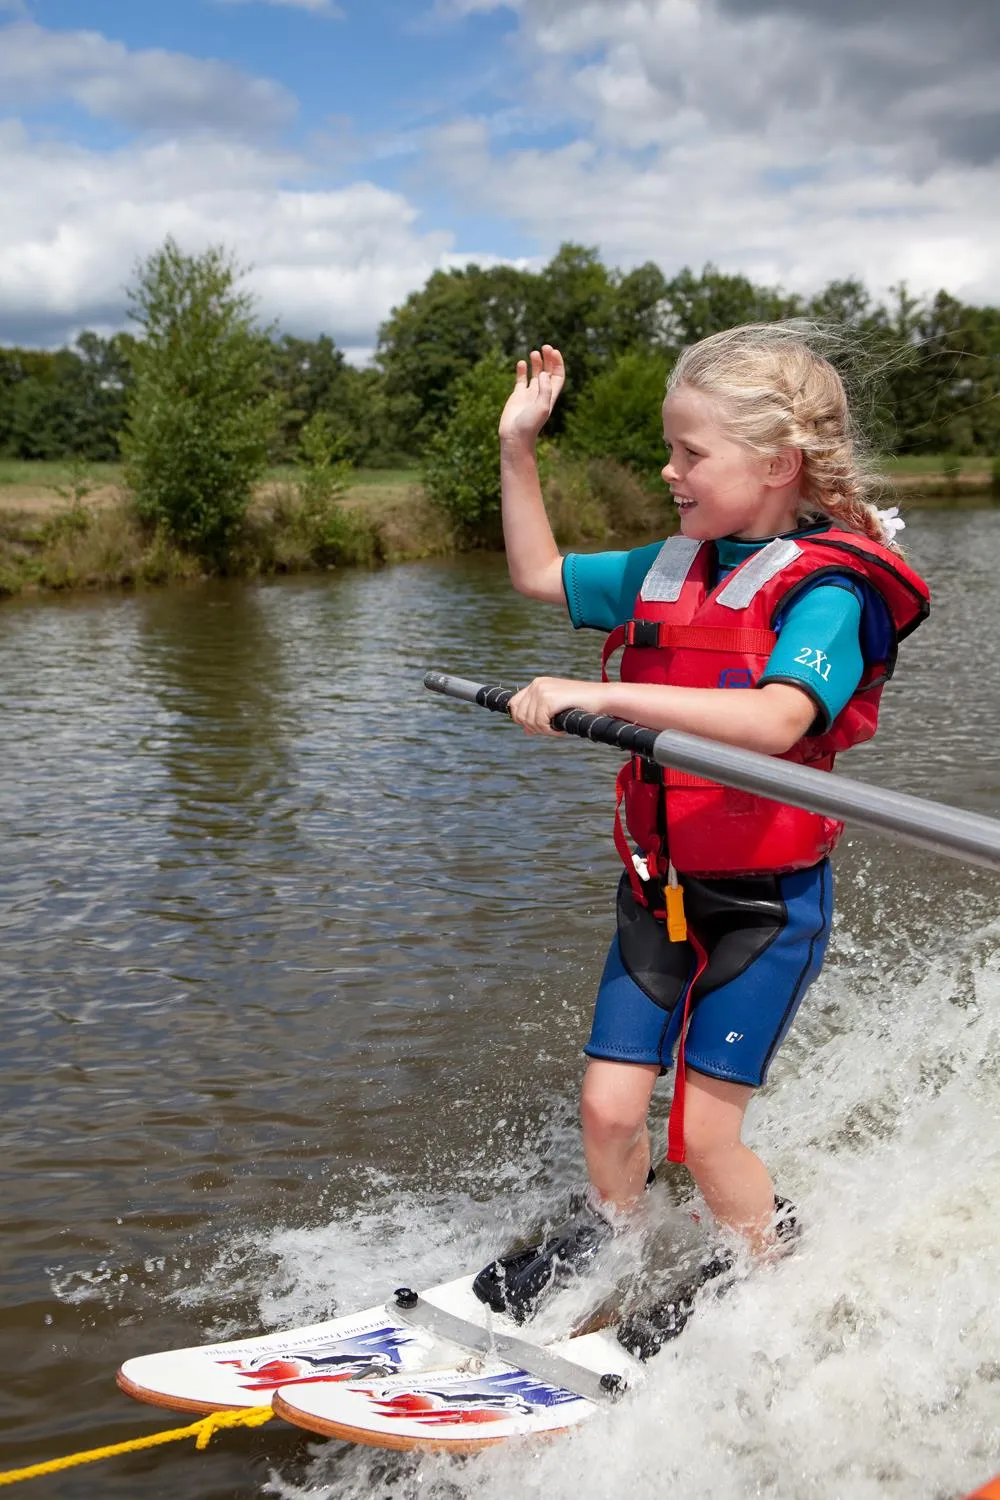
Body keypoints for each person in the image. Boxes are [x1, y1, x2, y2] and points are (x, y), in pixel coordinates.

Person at [472, 324, 930, 1350]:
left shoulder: (830, 592)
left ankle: (777, 1283)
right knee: (606, 1113)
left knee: (704, 1134)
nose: (666, 469)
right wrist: (517, 448)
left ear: (776, 465)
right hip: (659, 887)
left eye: (689, 453)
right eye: (668, 448)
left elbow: (777, 719)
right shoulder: (669, 566)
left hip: (764, 908)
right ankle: (617, 1266)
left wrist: (597, 693)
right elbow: (538, 573)